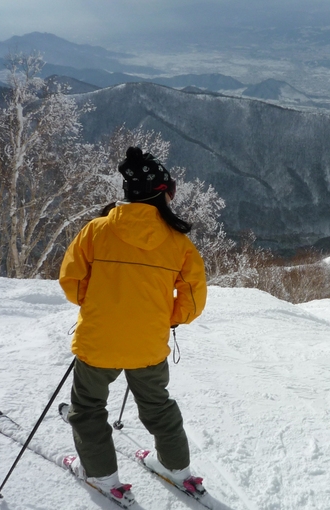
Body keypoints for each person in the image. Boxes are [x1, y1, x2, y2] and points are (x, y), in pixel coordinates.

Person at [58, 147, 208, 505]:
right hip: (149, 345)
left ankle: (102, 475)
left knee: (89, 408)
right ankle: (179, 471)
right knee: (158, 406)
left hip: (98, 341)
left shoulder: (96, 231)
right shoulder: (178, 243)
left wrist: (99, 307)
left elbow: (71, 282)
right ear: (162, 193)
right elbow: (192, 300)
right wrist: (163, 316)